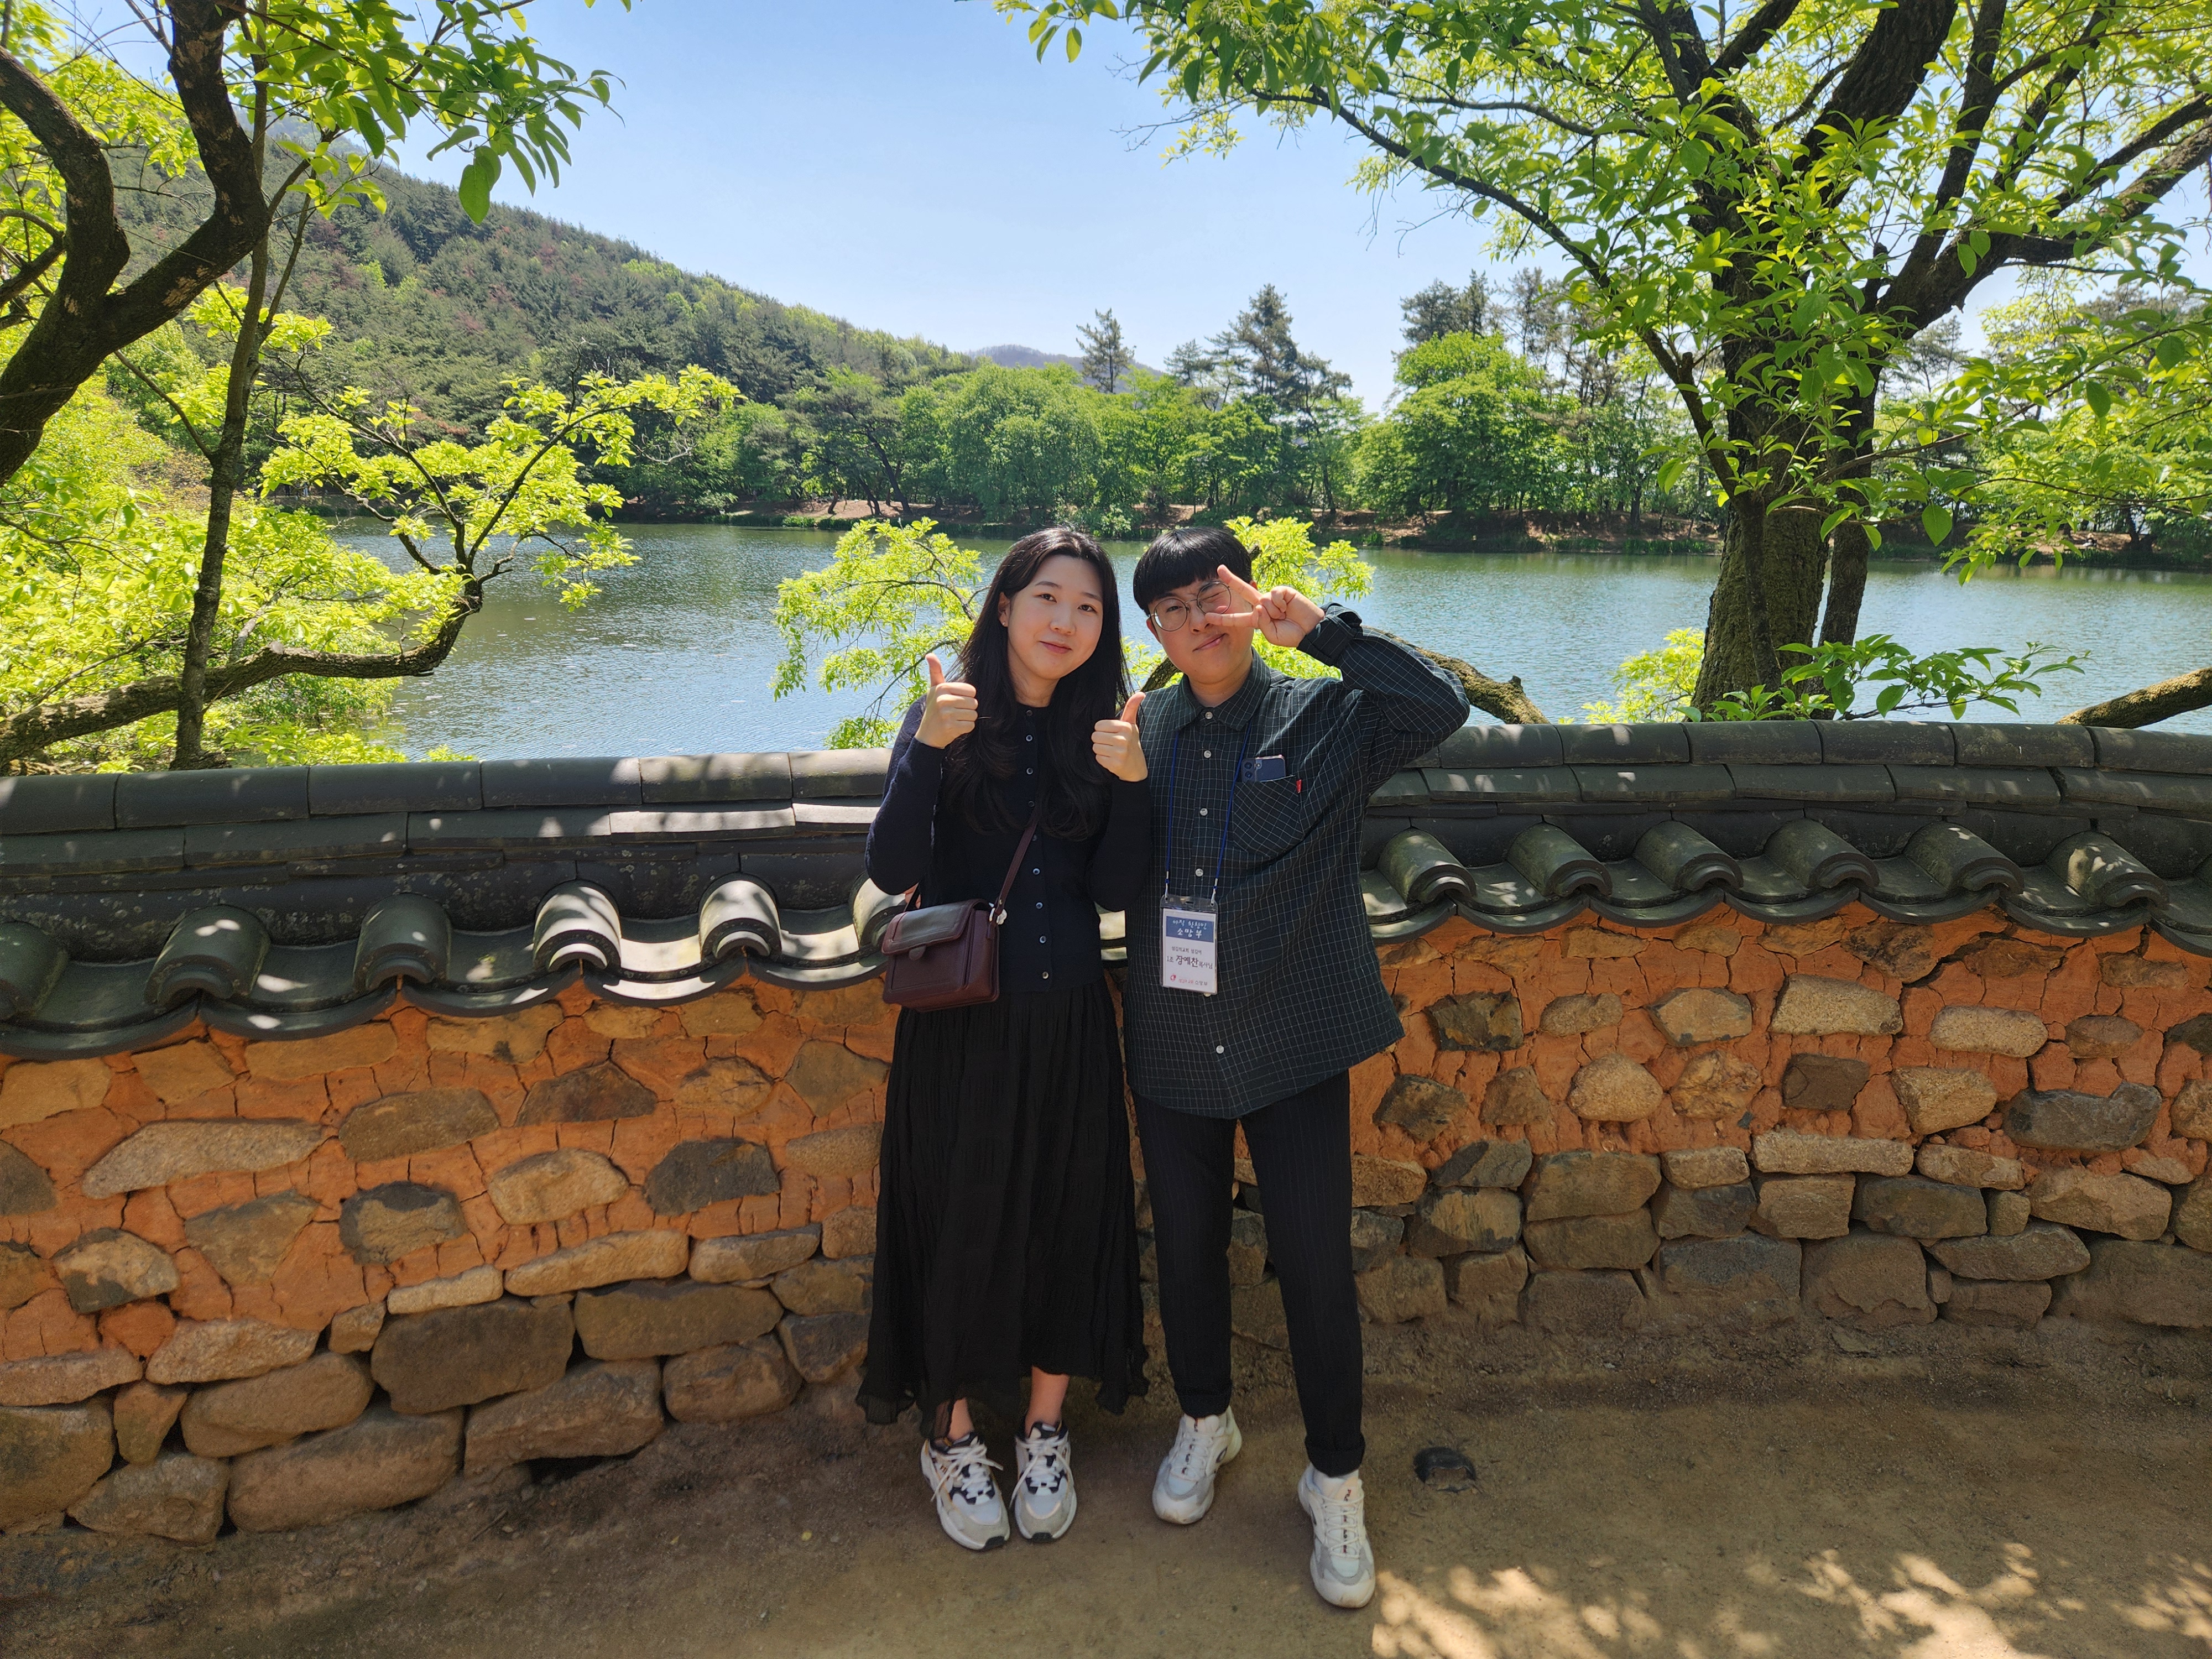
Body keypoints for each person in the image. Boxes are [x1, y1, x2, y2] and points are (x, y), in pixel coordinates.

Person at [1121, 524, 1469, 1608]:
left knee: (1314, 1263)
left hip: (1295, 1033)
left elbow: (1439, 707)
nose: (1197, 621)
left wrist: (1323, 632)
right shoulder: (1144, 725)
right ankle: (1204, 1418)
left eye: (1210, 595)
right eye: (1172, 609)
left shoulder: (1322, 713)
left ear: (1244, 595)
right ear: (1154, 629)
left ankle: (1335, 1475)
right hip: (1174, 1031)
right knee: (1186, 1250)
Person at [859, 525, 1153, 1551]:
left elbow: (1113, 889)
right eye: (1048, 599)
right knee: (956, 1218)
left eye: (1088, 607)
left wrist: (1131, 783)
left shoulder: (1104, 730)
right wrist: (926, 753)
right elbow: (891, 864)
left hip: (1070, 1019)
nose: (1066, 621)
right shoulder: (949, 712)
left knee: (1067, 1219)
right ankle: (949, 1437)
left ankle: (1043, 1428)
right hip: (961, 1028)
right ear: (1005, 605)